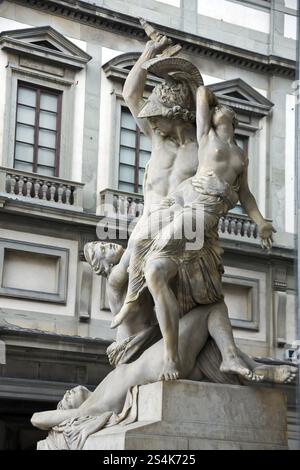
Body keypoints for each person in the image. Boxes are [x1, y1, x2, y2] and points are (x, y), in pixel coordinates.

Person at [110, 85, 276, 382]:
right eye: (218, 112)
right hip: (185, 200)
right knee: (142, 241)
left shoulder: (240, 155)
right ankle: (132, 301)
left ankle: (173, 348)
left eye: (226, 113)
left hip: (202, 215)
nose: (222, 113)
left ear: (233, 123)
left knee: (156, 263)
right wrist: (204, 96)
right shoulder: (206, 138)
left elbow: (246, 195)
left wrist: (261, 222)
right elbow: (200, 93)